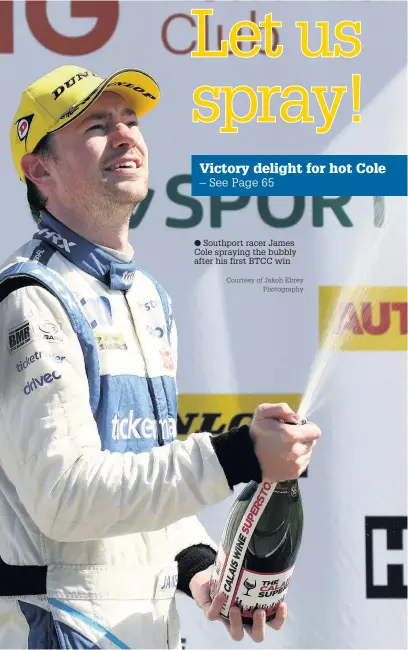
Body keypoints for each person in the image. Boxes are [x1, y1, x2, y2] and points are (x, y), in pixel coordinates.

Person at [0, 64, 321, 649]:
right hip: (59, 626)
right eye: (97, 125)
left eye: (130, 120)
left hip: (146, 629)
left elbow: (137, 474)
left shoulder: (146, 296)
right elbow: (65, 499)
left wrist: (200, 567)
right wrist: (236, 454)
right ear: (39, 168)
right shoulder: (32, 298)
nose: (125, 135)